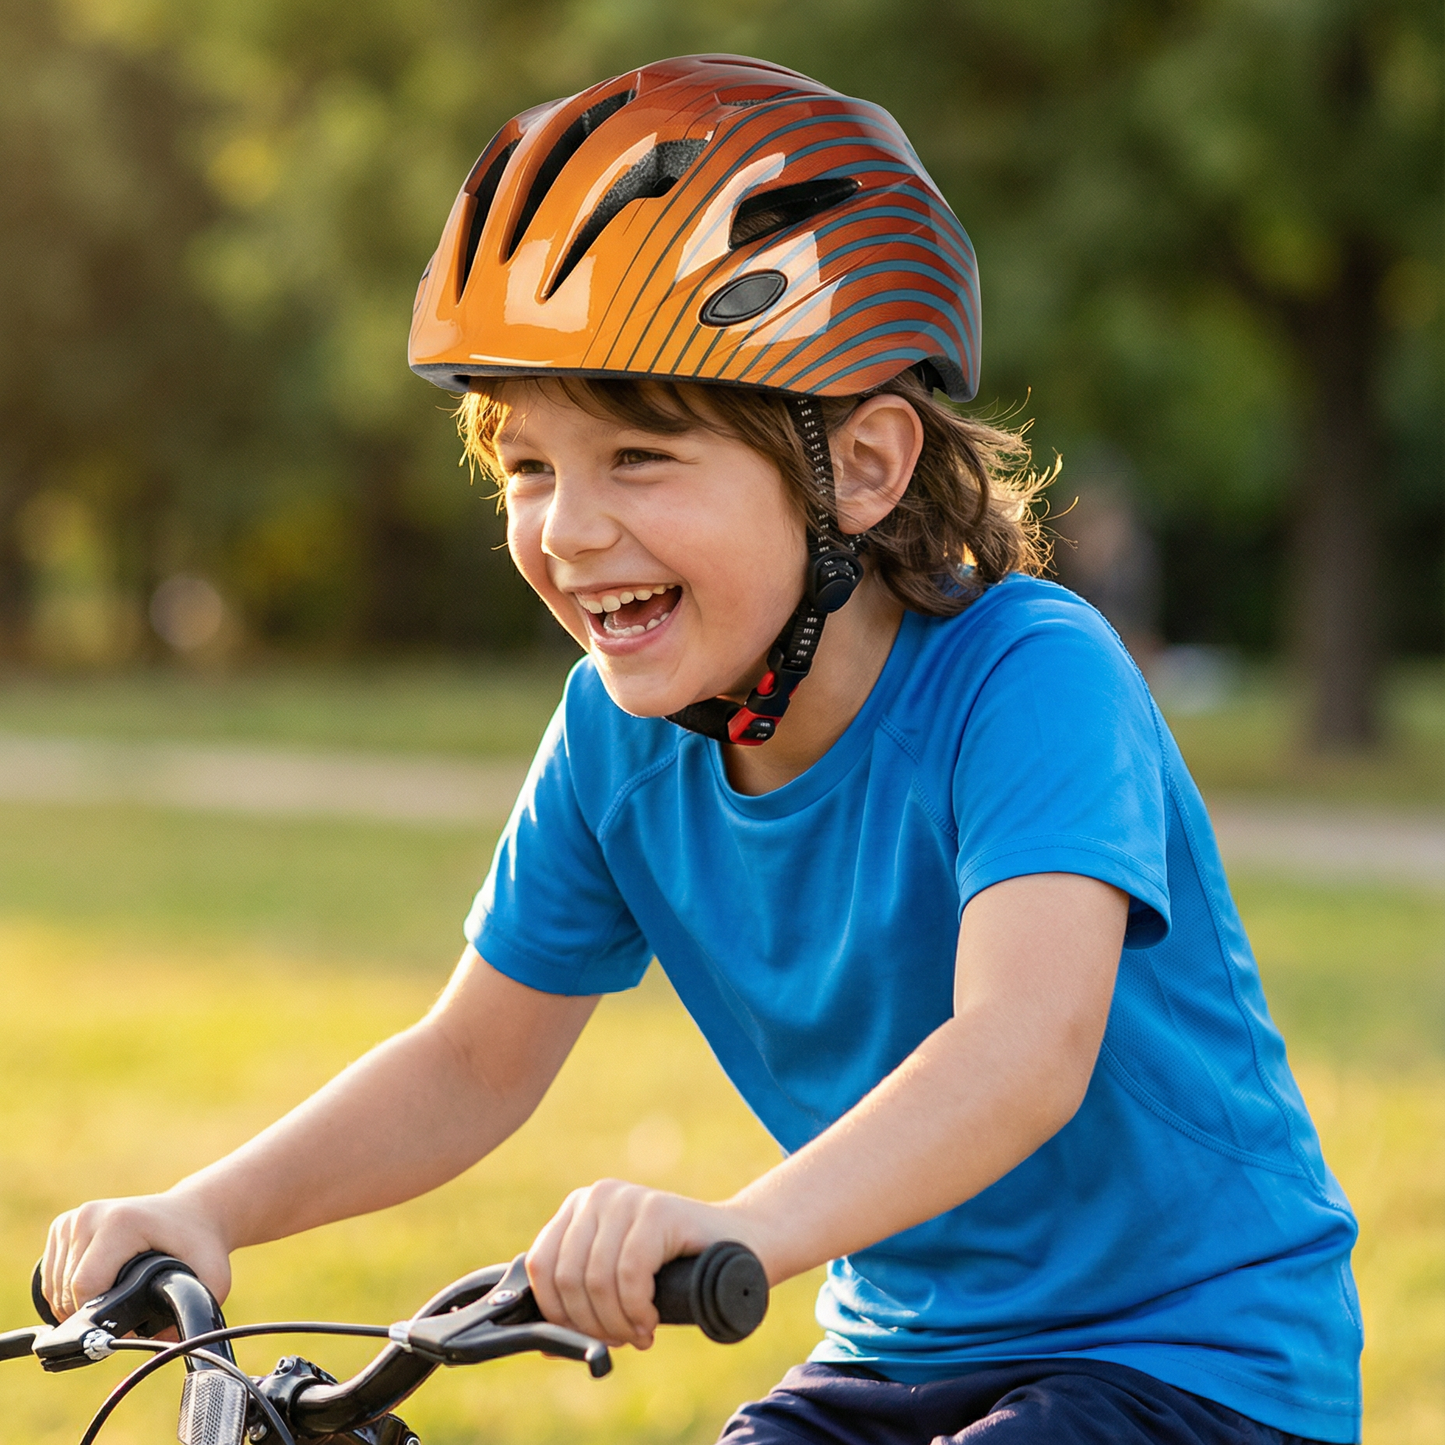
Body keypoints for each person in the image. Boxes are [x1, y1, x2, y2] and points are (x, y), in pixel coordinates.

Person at [42, 55, 1362, 1445]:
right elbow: (474, 1063)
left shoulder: (1030, 679)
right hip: (902, 1357)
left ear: (860, 466)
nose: (567, 528)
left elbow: (1024, 1048)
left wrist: (744, 1224)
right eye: (530, 467)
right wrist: (207, 1211)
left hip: (1199, 1361)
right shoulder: (618, 737)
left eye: (641, 459)